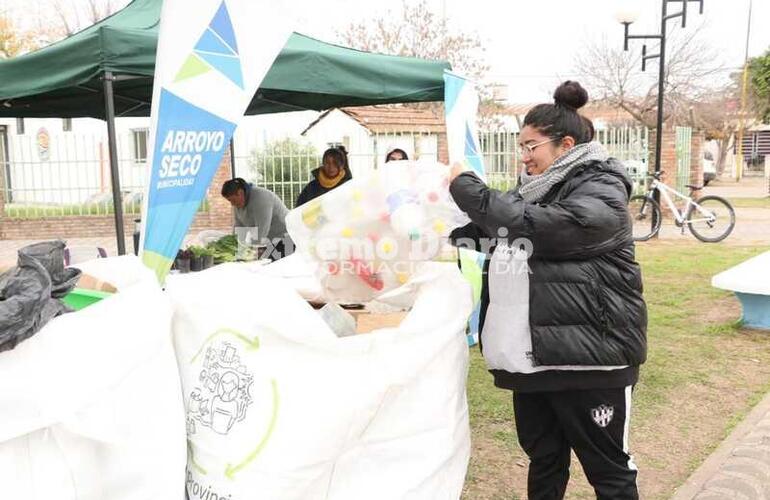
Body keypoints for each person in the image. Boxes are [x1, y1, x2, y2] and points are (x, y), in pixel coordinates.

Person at [448, 81, 647, 499]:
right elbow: (498, 234)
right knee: (545, 461)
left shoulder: (602, 189)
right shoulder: (533, 192)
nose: (523, 156)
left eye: (531, 146)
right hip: (533, 359)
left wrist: (469, 190)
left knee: (609, 471)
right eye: (520, 146)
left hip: (591, 359)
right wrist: (432, 224)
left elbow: (544, 229)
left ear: (565, 144)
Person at [221, 178, 292, 260]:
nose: (232, 204)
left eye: (232, 200)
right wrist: (233, 247)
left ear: (240, 193)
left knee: (277, 268)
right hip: (269, 241)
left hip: (286, 239)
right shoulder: (238, 205)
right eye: (229, 201)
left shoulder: (261, 198)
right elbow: (239, 228)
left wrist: (251, 253)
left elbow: (262, 230)